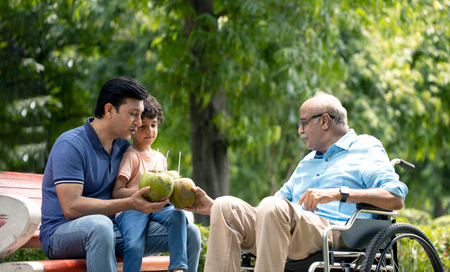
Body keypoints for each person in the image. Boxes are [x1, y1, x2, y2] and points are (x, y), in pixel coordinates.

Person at [186, 92, 409, 272]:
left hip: (336, 231)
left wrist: (339, 193)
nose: (300, 130)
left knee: (273, 207)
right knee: (226, 206)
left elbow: (395, 197)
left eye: (303, 123)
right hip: (288, 228)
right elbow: (269, 210)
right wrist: (211, 207)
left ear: (324, 121)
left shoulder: (364, 147)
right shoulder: (307, 162)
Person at [40, 76, 201, 272]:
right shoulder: (71, 145)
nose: (139, 122)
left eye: (141, 115)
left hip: (110, 230)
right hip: (62, 233)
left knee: (190, 232)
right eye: (133, 114)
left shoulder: (123, 147)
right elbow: (71, 208)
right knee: (100, 226)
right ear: (109, 110)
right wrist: (129, 203)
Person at [112, 95, 192, 272]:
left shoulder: (160, 158)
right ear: (134, 128)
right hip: (132, 209)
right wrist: (139, 194)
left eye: (154, 125)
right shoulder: (131, 156)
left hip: (158, 206)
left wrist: (176, 189)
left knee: (178, 216)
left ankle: (178, 267)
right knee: (134, 245)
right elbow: (117, 191)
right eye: (143, 126)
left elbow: (166, 192)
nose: (150, 131)